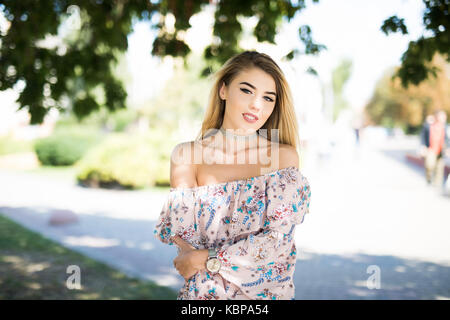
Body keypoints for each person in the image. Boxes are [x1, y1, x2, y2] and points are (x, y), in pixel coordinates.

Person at [154, 51, 311, 300]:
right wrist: (202, 259)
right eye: (247, 91)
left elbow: (276, 244)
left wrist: (207, 259)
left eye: (268, 98)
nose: (256, 105)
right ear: (223, 90)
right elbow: (186, 253)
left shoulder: (283, 157)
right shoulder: (187, 156)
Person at [425, 110, 448, 187]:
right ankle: (429, 178)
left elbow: (448, 139)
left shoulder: (446, 127)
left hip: (441, 150)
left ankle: (437, 184)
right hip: (431, 149)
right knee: (429, 165)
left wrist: (448, 148)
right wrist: (423, 146)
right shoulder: (429, 126)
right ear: (437, 117)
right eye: (442, 117)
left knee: (440, 167)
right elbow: (423, 136)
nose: (443, 118)